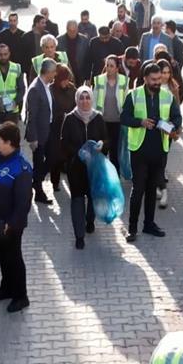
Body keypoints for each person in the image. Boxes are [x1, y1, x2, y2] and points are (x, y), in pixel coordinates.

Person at [121, 61, 182, 242]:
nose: (157, 82)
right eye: (154, 79)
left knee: (150, 189)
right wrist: (140, 122)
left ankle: (149, 224)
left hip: (159, 150)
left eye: (159, 79)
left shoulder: (167, 96)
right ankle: (132, 228)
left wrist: (172, 127)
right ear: (145, 78)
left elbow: (177, 117)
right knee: (138, 189)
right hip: (139, 150)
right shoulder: (134, 95)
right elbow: (124, 117)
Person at [0, 122, 33, 313]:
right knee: (1, 256)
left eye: (0, 141)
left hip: (9, 225)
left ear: (10, 143)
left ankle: (21, 296)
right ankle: (7, 287)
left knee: (13, 258)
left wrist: (11, 224)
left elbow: (23, 202)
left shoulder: (21, 168)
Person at [60, 86, 105, 249]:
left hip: (95, 167)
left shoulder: (98, 117)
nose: (85, 101)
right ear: (77, 100)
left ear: (92, 99)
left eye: (87, 98)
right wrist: (77, 152)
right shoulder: (70, 118)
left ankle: (90, 220)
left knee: (93, 196)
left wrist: (102, 146)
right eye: (81, 98)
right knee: (77, 200)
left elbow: (107, 139)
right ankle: (79, 235)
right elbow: (64, 142)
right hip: (76, 168)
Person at [24, 58, 57, 205]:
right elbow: (32, 116)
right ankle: (38, 192)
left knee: (52, 158)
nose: (55, 74)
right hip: (39, 134)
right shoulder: (35, 89)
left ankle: (36, 180)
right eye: (54, 71)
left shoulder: (46, 85)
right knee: (38, 163)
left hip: (48, 130)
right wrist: (33, 138)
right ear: (48, 72)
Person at [93, 54, 129, 172]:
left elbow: (127, 101)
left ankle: (115, 177)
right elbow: (94, 99)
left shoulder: (124, 80)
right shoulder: (99, 80)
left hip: (117, 121)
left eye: (111, 66)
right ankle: (101, 177)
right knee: (102, 151)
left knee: (115, 152)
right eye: (107, 65)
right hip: (102, 121)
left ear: (117, 68)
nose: (108, 68)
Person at [48, 64, 77, 195]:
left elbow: (77, 106)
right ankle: (55, 182)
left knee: (70, 156)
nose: (66, 82)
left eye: (68, 79)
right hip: (55, 127)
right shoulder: (51, 90)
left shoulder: (72, 89)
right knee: (55, 156)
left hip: (70, 127)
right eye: (63, 80)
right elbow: (50, 110)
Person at [0, 41, 25, 125]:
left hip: (12, 110)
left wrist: (15, 102)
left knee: (11, 135)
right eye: (0, 55)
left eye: (5, 54)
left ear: (9, 54)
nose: (3, 57)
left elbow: (21, 89)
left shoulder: (17, 68)